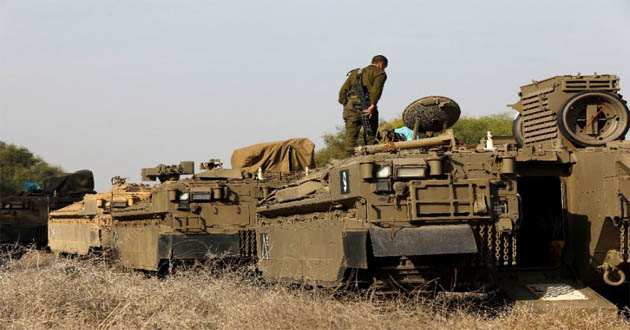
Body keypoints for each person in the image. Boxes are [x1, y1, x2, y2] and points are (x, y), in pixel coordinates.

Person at [338, 55, 388, 156]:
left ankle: (351, 157)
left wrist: (347, 105)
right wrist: (372, 105)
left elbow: (343, 91)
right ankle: (370, 159)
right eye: (385, 66)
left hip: (351, 106)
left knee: (351, 135)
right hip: (367, 105)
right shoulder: (380, 73)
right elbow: (376, 91)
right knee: (370, 135)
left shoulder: (356, 72)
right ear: (382, 64)